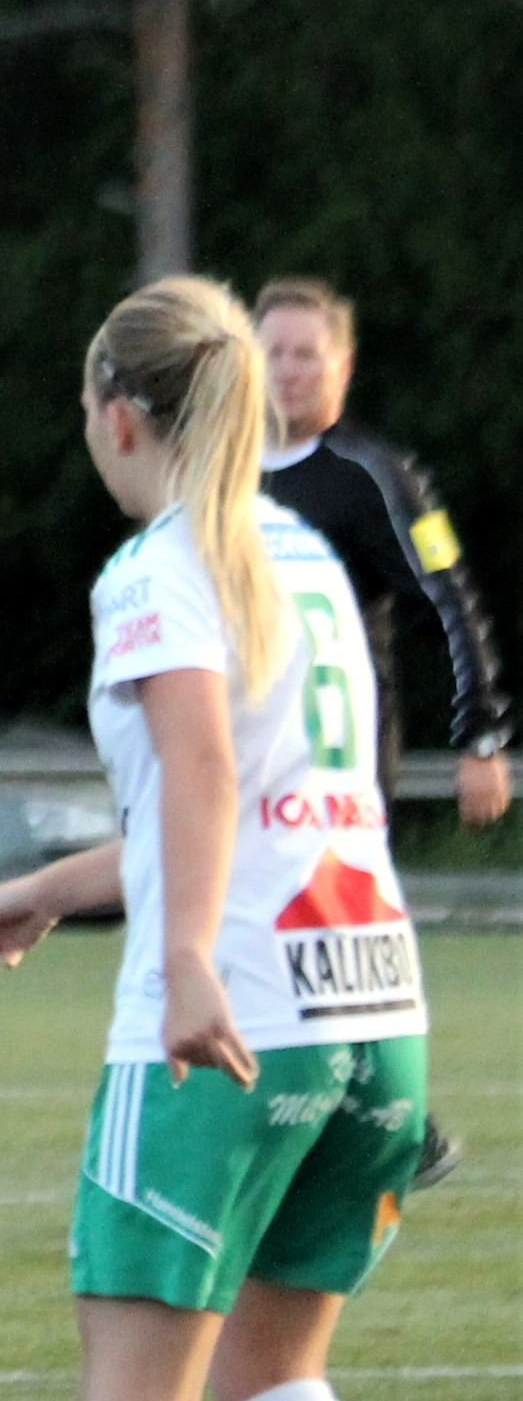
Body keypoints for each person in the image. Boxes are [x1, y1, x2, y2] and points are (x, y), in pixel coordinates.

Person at [0, 276, 457, 1401]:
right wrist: (49, 888)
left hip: (223, 1025)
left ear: (118, 415)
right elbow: (255, 799)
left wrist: (175, 964)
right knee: (274, 1374)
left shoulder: (159, 566)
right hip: (368, 1014)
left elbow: (202, 771)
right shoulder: (298, 559)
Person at [255, 275, 509, 1193]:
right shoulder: (224, 466)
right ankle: (354, 1127)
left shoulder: (371, 473)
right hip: (247, 751)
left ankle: (399, 1130)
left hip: (339, 756)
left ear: (342, 365)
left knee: (331, 941)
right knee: (266, 940)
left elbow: (450, 598)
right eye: (273, 352)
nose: (288, 371)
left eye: (306, 354)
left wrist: (481, 737)